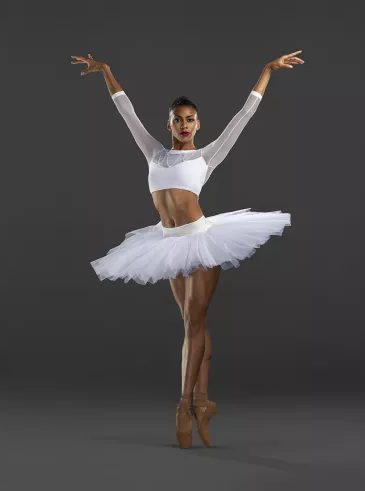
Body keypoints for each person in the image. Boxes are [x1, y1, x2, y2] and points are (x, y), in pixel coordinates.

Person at [71, 50, 304, 449]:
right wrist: (107, 72)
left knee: (194, 323)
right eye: (177, 119)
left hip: (200, 240)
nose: (183, 124)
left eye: (190, 118)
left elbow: (243, 116)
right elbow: (126, 111)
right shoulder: (154, 153)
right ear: (169, 123)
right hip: (167, 245)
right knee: (190, 324)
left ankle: (183, 406)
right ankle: (202, 399)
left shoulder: (205, 156)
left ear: (198, 123)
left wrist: (267, 70)